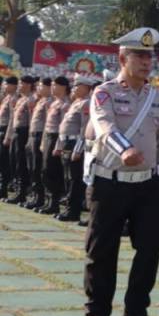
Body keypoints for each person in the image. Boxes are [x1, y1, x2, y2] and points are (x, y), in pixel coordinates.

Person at [83, 27, 159, 316]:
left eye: (149, 56)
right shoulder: (104, 92)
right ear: (123, 57)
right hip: (110, 182)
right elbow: (104, 125)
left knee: (150, 250)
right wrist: (125, 149)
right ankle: (97, 313)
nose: (146, 62)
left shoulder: (157, 98)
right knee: (102, 251)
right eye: (139, 55)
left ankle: (136, 311)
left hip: (147, 185)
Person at [56, 75, 96, 223]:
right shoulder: (76, 103)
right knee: (67, 178)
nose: (74, 88)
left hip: (75, 144)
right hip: (66, 143)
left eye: (78, 86)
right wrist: (59, 145)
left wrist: (78, 149)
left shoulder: (87, 103)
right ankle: (68, 208)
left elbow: (84, 129)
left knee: (75, 180)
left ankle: (73, 211)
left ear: (86, 88)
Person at [39, 76, 70, 215]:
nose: (52, 88)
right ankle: (48, 201)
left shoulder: (65, 104)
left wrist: (59, 144)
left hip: (56, 138)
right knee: (45, 170)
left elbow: (64, 127)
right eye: (51, 85)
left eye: (54, 85)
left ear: (63, 87)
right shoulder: (54, 103)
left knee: (52, 170)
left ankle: (54, 202)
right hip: (48, 137)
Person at [7, 75, 37, 205]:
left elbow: (31, 120)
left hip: (24, 133)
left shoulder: (31, 99)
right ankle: (18, 190)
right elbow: (13, 119)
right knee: (14, 162)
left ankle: (22, 193)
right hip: (16, 132)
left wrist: (30, 138)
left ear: (28, 85)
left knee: (22, 164)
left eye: (21, 84)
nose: (19, 86)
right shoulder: (21, 99)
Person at [26, 77, 53, 210]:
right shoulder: (40, 101)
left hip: (41, 136)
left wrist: (42, 141)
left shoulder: (50, 102)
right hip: (33, 135)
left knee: (39, 168)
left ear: (49, 87)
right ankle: (35, 196)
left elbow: (48, 123)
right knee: (32, 167)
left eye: (41, 86)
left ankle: (41, 198)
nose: (38, 88)